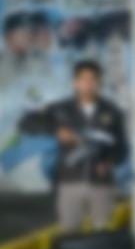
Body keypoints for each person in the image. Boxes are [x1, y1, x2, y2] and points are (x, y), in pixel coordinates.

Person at [43, 59, 128, 231]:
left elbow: (122, 149)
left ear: (100, 83)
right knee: (69, 232)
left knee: (103, 233)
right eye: (83, 79)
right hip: (69, 183)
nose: (88, 84)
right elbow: (27, 123)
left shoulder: (113, 111)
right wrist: (56, 130)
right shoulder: (60, 109)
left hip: (101, 184)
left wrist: (109, 162)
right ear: (75, 83)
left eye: (93, 79)